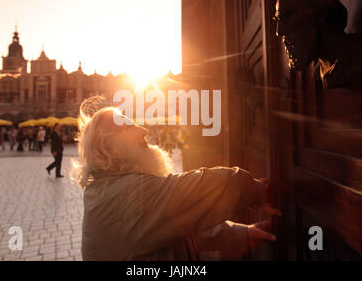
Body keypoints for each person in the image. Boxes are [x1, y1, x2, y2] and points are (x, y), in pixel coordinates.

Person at [73, 105, 281, 261]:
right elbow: (198, 191)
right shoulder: (126, 195)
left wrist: (241, 234)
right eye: (129, 126)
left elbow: (174, 225)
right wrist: (256, 190)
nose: (144, 131)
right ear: (110, 148)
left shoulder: (107, 190)